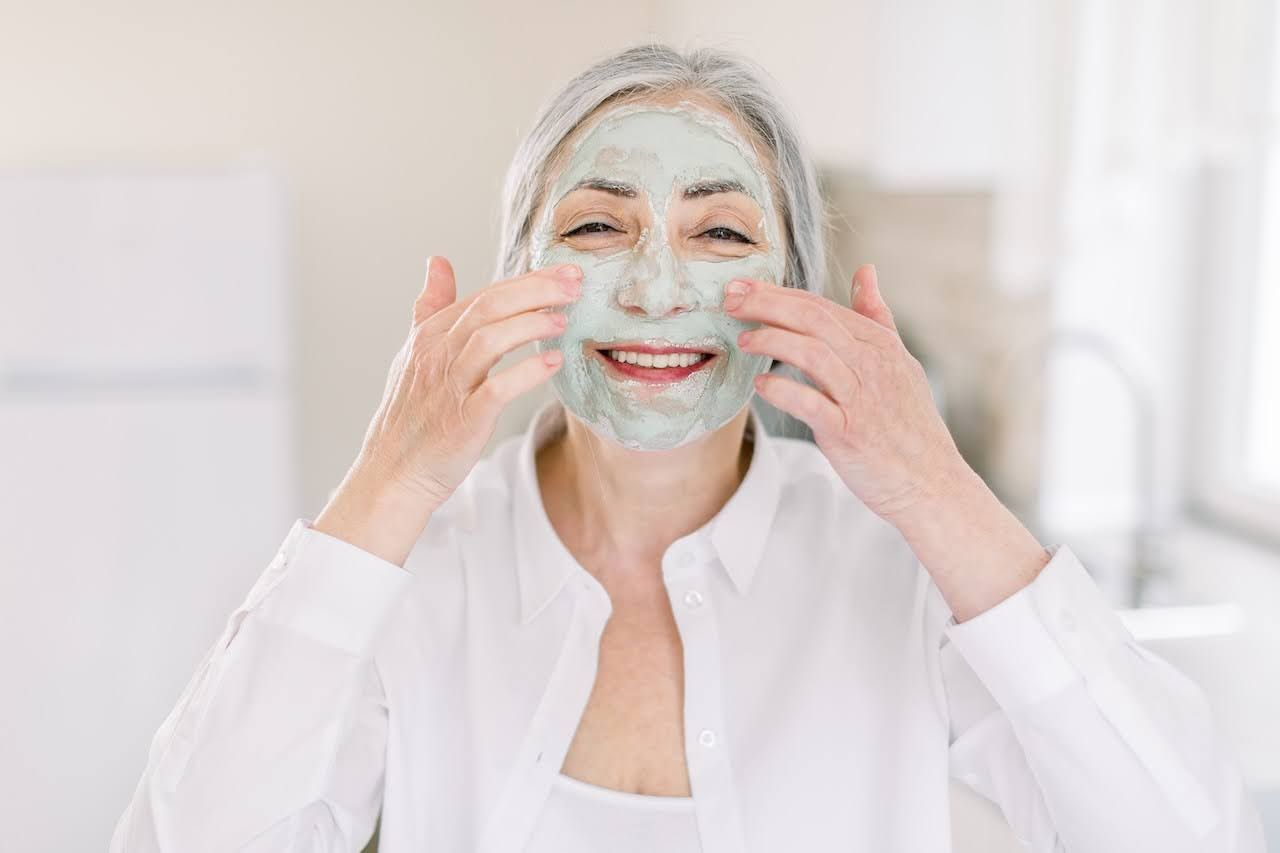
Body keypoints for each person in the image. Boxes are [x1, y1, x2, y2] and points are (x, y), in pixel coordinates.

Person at [109, 43, 1265, 852]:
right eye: (598, 225)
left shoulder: (897, 564)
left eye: (719, 231)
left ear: (793, 286)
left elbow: (1187, 835)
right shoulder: (418, 569)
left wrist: (933, 486)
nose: (658, 288)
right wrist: (392, 477)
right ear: (519, 276)